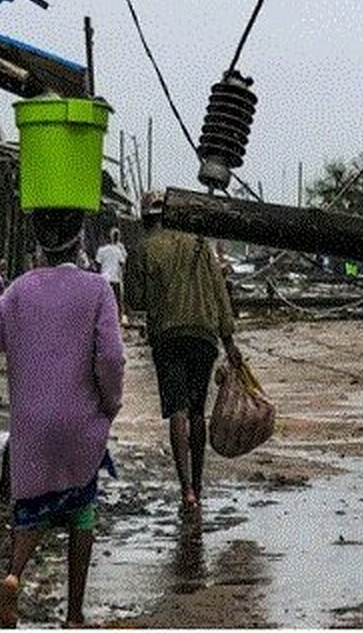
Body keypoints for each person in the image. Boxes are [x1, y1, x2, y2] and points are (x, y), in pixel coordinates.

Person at [0, 208, 124, 628]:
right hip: (81, 424)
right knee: (82, 510)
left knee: (32, 509)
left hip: (32, 428)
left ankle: (14, 574)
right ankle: (74, 615)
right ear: (80, 244)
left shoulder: (18, 292)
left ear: (38, 247)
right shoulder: (97, 290)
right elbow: (111, 357)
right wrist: (111, 403)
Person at [140, 191, 240, 509]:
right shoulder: (201, 246)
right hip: (204, 338)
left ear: (147, 219)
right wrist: (229, 341)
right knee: (197, 412)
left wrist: (159, 297)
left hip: (167, 338)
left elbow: (134, 300)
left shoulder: (146, 249)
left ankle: (187, 491)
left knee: (177, 411)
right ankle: (198, 484)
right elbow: (220, 294)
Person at [94, 227, 128, 322]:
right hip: (115, 279)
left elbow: (97, 264)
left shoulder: (101, 250)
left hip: (104, 279)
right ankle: (118, 321)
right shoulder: (118, 250)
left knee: (102, 302)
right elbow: (122, 263)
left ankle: (101, 320)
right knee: (117, 302)